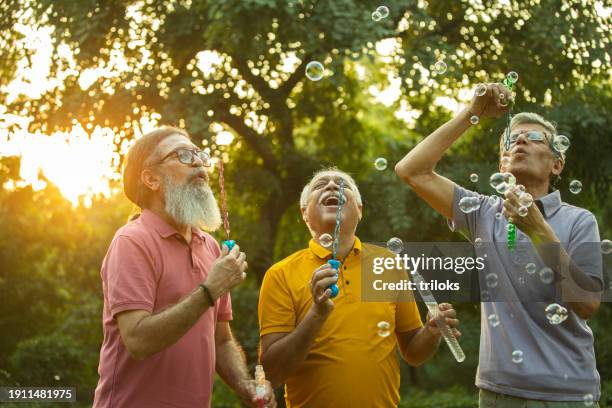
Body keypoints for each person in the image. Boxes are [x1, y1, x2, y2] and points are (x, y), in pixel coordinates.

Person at [395, 84, 603, 407]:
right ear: (501, 166)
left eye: (534, 138)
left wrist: (537, 229)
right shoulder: (482, 213)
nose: (520, 140)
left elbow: (588, 302)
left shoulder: (580, 221)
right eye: (511, 139)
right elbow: (411, 171)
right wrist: (472, 113)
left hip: (567, 394)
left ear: (556, 165)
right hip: (497, 394)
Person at [93, 127, 275, 408]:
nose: (199, 162)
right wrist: (209, 290)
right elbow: (138, 339)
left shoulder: (211, 247)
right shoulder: (132, 241)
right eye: (184, 155)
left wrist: (245, 385)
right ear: (151, 178)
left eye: (200, 155)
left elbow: (222, 340)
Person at [258, 168, 461, 407]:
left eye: (342, 184)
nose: (332, 185)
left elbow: (414, 353)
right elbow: (273, 372)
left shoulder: (389, 264)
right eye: (320, 185)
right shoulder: (281, 274)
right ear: (304, 213)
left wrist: (431, 332)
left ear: (360, 210)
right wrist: (317, 314)